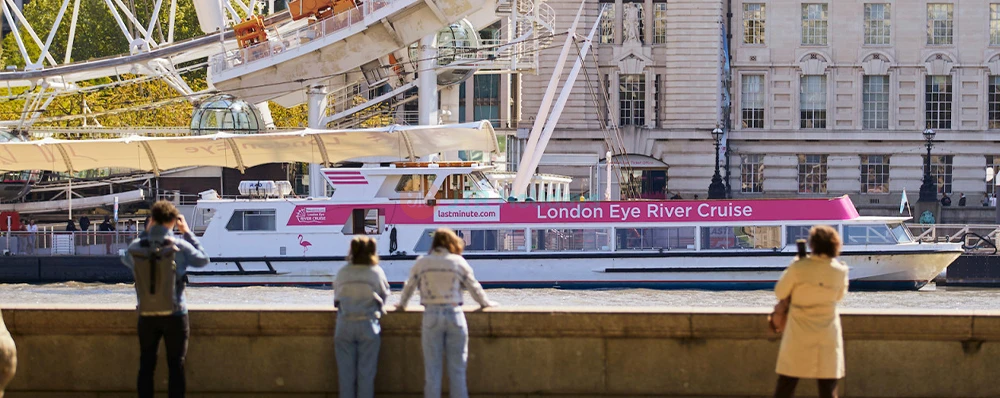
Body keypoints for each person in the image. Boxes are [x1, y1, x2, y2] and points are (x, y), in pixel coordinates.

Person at [120, 200, 210, 398]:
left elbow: (126, 259)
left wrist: (147, 233)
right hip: (175, 313)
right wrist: (186, 231)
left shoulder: (136, 247)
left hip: (147, 314)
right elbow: (203, 259)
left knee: (146, 365)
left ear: (152, 219)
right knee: (176, 365)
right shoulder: (179, 245)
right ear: (172, 221)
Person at [397, 228, 496, 398]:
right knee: (458, 371)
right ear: (452, 243)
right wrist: (486, 304)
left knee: (432, 372)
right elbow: (474, 288)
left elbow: (408, 288)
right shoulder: (458, 262)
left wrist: (401, 305)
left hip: (431, 315)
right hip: (454, 314)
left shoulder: (422, 262)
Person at [772, 225, 848, 398]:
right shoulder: (840, 271)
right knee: (828, 386)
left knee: (786, 383)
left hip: (799, 331)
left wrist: (795, 265)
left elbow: (780, 292)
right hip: (827, 333)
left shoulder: (799, 267)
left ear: (812, 245)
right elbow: (839, 296)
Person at [334, 236, 390, 398]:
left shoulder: (343, 271)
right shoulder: (376, 271)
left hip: (344, 325)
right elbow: (384, 295)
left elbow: (336, 299)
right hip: (368, 325)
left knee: (345, 377)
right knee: (366, 375)